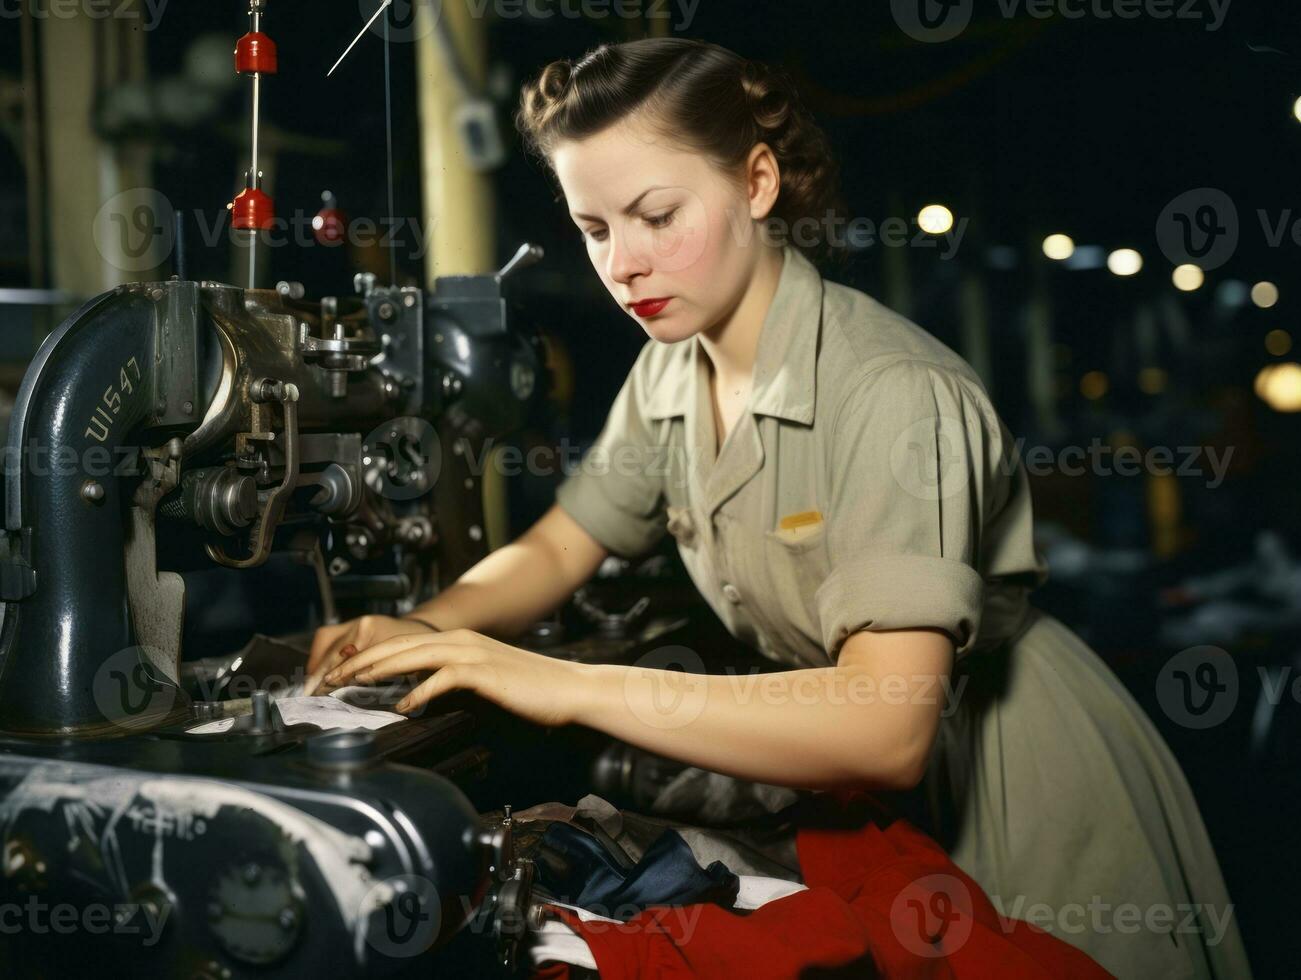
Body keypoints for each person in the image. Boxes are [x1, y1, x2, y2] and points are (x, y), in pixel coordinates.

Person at [309, 37, 1250, 978]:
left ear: (757, 182)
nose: (624, 265)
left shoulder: (892, 392)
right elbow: (563, 544)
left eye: (656, 215)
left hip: (1014, 776)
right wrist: (420, 631)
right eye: (595, 229)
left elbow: (885, 731)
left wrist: (560, 686)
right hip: (864, 796)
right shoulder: (668, 370)